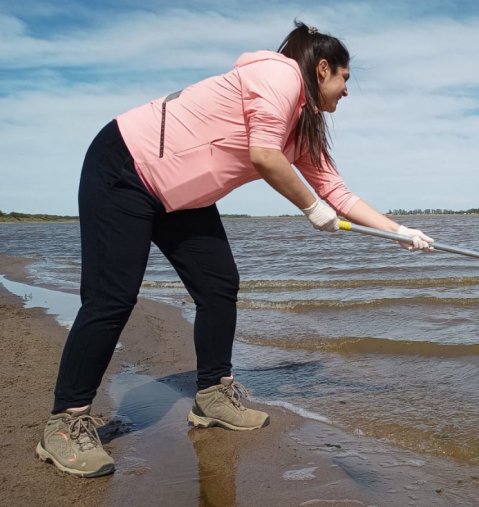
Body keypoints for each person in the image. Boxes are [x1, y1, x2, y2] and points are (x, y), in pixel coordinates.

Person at [36, 21, 434, 478]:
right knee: (112, 297)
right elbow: (265, 156)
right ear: (322, 68)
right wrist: (310, 208)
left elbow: (338, 194)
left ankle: (211, 398)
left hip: (181, 195)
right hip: (126, 166)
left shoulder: (304, 127)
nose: (347, 91)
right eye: (344, 78)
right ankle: (64, 425)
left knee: (219, 284)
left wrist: (399, 231)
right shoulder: (279, 76)